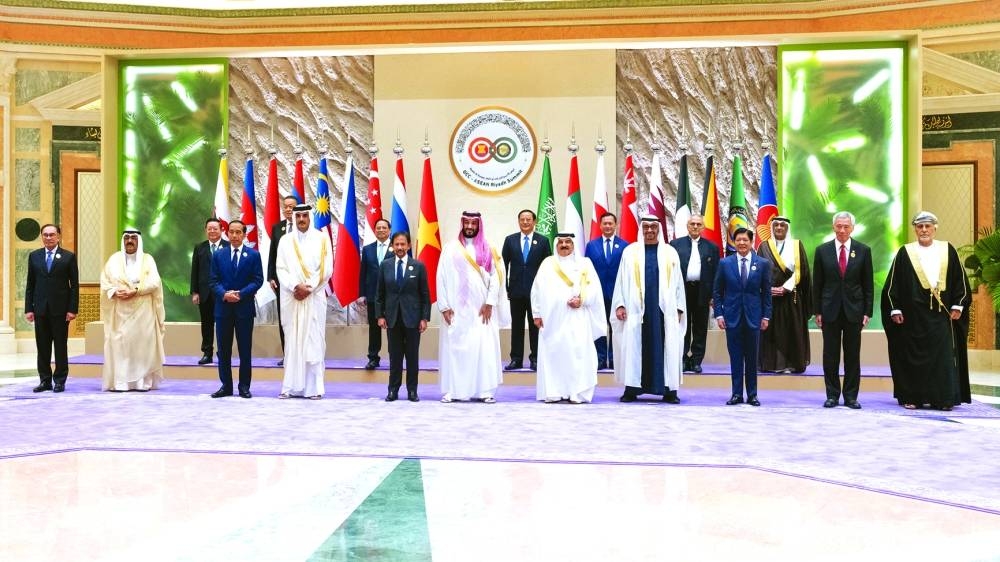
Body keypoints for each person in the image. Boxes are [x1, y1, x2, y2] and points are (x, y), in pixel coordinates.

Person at [882, 211, 971, 411]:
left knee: (942, 358)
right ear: (914, 229)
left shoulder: (948, 250)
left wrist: (958, 305)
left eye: (927, 226)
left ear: (935, 228)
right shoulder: (905, 253)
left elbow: (960, 281)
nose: (923, 230)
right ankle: (913, 397)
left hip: (941, 316)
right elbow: (891, 286)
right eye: (919, 226)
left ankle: (943, 398)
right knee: (914, 358)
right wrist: (894, 309)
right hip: (913, 319)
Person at [610, 216, 687, 404]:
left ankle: (669, 390)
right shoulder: (630, 252)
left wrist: (678, 307)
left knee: (667, 346)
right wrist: (620, 304)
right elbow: (620, 281)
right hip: (636, 311)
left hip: (664, 312)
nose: (650, 231)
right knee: (635, 347)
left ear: (659, 229)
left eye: (654, 227)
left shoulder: (670, 253)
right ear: (641, 229)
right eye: (646, 227)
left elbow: (678, 283)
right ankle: (632, 389)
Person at [438, 211, 509, 403]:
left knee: (483, 349)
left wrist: (490, 302)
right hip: (456, 310)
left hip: (482, 311)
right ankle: (454, 390)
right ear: (462, 224)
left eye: (473, 223)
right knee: (456, 348)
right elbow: (441, 278)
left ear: (479, 225)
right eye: (466, 223)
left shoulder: (489, 248)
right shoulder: (450, 248)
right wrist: (444, 306)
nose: (469, 227)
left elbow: (497, 278)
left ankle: (484, 391)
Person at [532, 233, 606, 403]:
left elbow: (594, 289)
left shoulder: (585, 264)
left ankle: (577, 392)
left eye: (568, 242)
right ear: (556, 244)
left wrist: (582, 300)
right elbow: (536, 290)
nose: (564, 245)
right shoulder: (547, 264)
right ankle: (554, 391)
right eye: (561, 242)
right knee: (554, 354)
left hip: (577, 318)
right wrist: (537, 314)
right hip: (552, 321)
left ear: (574, 245)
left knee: (577, 353)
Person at [812, 211, 874, 409]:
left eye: (846, 226)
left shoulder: (863, 251)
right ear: (833, 227)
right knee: (830, 355)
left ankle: (850, 397)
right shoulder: (822, 251)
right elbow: (817, 285)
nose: (842, 230)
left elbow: (868, 285)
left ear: (852, 228)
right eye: (839, 226)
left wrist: (868, 311)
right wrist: (817, 311)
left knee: (852, 356)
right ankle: (832, 395)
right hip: (829, 310)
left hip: (854, 311)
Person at [275, 205, 333, 400]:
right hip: (291, 297)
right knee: (292, 340)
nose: (301, 219)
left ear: (310, 217)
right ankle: (290, 387)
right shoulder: (285, 241)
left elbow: (327, 269)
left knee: (313, 340)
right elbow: (280, 268)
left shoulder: (322, 239)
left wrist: (308, 288)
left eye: (304, 216)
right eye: (298, 215)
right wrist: (294, 286)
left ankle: (313, 389)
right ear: (294, 218)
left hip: (314, 297)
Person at [99, 229, 166, 392]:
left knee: (143, 346)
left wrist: (136, 290)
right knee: (120, 344)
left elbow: (154, 282)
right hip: (120, 310)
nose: (130, 240)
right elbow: (104, 281)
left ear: (138, 241)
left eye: (133, 238)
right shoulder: (114, 260)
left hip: (144, 311)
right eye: (127, 238)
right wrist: (114, 291)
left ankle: (142, 382)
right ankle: (121, 381)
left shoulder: (147, 260)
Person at [713, 227, 772, 406]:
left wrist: (766, 316)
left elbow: (766, 293)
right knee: (736, 358)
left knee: (752, 359)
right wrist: (719, 314)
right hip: (732, 317)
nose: (741, 243)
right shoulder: (725, 263)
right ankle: (737, 394)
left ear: (751, 242)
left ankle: (752, 395)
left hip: (754, 317)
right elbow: (717, 291)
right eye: (738, 240)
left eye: (745, 240)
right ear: (734, 242)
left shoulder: (762, 263)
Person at [210, 220, 264, 399]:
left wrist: (241, 294)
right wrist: (224, 294)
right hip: (223, 309)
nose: (234, 235)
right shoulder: (218, 255)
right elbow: (213, 281)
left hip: (244, 309)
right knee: (223, 350)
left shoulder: (254, 255)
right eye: (231, 232)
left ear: (244, 234)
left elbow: (258, 280)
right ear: (227, 233)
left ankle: (244, 387)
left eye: (238, 232)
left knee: (244, 350)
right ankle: (226, 386)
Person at [376, 231, 431, 402]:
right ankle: (393, 390)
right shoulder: (385, 265)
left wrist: (424, 318)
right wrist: (380, 316)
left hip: (413, 319)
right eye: (397, 244)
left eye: (403, 244)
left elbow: (425, 295)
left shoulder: (419, 266)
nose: (400, 247)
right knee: (395, 357)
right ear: (392, 246)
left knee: (412, 357)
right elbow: (379, 294)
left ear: (408, 246)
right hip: (392, 318)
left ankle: (412, 391)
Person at [24, 224, 79, 393]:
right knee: (43, 347)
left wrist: (72, 309)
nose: (48, 238)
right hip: (40, 310)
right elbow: (30, 285)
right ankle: (45, 380)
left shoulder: (68, 257)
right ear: (42, 237)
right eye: (45, 235)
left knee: (60, 346)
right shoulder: (34, 256)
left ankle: (60, 380)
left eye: (52, 235)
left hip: (61, 311)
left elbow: (74, 286)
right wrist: (29, 309)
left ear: (58, 236)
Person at [756, 216, 811, 373]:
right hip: (769, 297)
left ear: (787, 228)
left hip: (790, 297)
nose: (779, 228)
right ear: (772, 227)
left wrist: (785, 287)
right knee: (770, 332)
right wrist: (768, 289)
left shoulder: (796, 245)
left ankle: (792, 364)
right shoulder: (764, 246)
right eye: (776, 225)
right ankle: (771, 365)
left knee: (791, 331)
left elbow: (802, 270)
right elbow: (759, 270)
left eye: (782, 225)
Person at [501, 209, 551, 370]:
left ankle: (535, 358)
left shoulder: (543, 241)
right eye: (522, 219)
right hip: (515, 291)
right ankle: (516, 359)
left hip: (536, 292)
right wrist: (506, 288)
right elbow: (503, 266)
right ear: (518, 221)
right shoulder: (510, 240)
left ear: (534, 222)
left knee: (535, 324)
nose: (525, 222)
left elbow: (547, 267)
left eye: (528, 219)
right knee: (516, 325)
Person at [670, 214, 720, 373]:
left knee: (700, 327)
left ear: (703, 227)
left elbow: (716, 273)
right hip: (682, 291)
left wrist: (713, 295)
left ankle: (697, 360)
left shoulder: (712, 247)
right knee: (682, 327)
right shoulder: (675, 245)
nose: (695, 227)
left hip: (702, 292)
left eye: (699, 224)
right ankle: (683, 359)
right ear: (687, 225)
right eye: (692, 224)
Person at [584, 212, 626, 370]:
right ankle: (600, 359)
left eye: (611, 223)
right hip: (597, 294)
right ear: (600, 226)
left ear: (616, 225)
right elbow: (586, 271)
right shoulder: (591, 245)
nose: (608, 226)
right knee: (599, 326)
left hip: (617, 294)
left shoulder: (624, 245)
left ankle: (614, 358)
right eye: (605, 224)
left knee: (615, 327)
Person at [190, 218, 229, 365]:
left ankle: (223, 353)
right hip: (205, 293)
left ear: (221, 230)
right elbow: (195, 271)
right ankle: (207, 353)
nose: (212, 231)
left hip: (223, 293)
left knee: (223, 324)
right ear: (206, 230)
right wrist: (195, 292)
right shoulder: (200, 247)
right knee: (206, 324)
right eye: (209, 228)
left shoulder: (228, 246)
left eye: (215, 228)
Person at [267, 195, 298, 367]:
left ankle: (299, 354)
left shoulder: (304, 228)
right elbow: (273, 254)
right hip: (281, 281)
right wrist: (271, 276)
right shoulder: (277, 228)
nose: (288, 209)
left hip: (301, 281)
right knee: (284, 318)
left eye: (291, 206)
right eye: (285, 206)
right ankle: (287, 354)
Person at [360, 218, 392, 369]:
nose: (381, 230)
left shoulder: (397, 247)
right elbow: (363, 273)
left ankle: (395, 357)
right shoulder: (368, 249)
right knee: (374, 328)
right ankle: (373, 358)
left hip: (392, 296)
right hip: (373, 296)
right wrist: (362, 294)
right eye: (378, 228)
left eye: (384, 228)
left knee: (394, 328)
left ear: (389, 230)